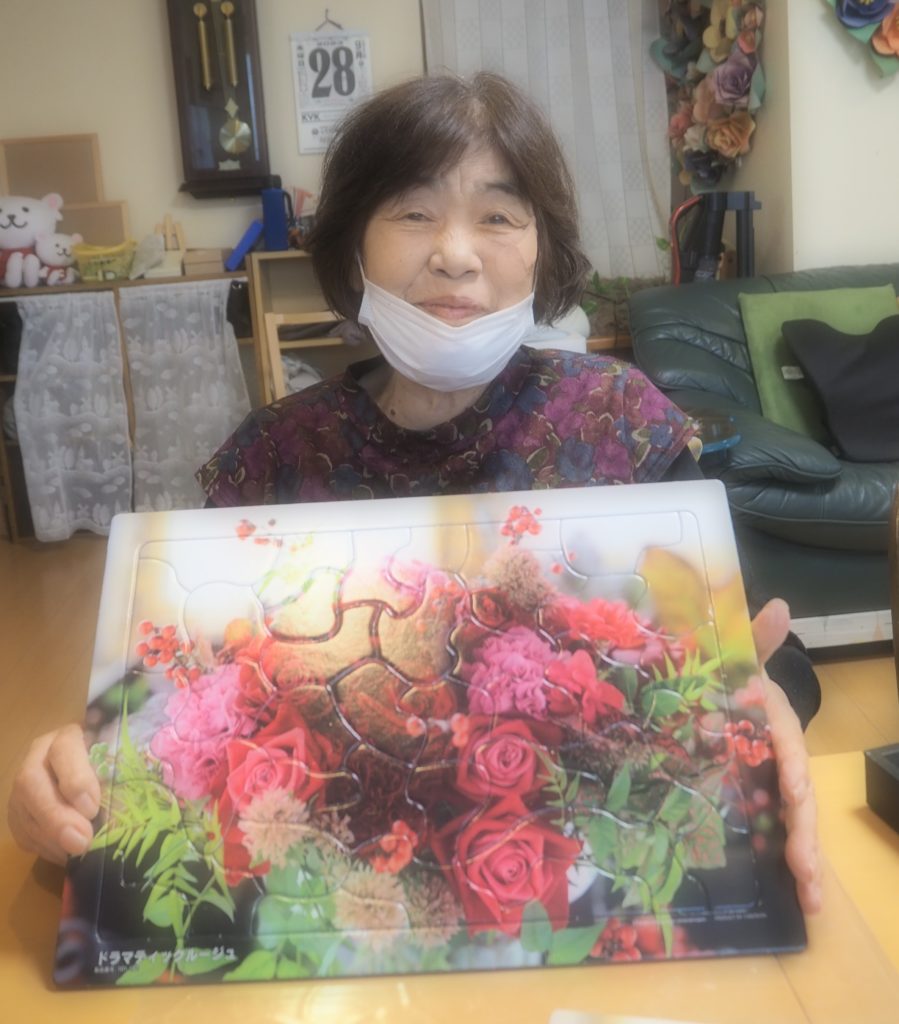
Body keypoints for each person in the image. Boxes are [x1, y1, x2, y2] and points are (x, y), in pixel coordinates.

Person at [7, 72, 822, 916]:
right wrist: (69, 782)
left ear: (542, 249)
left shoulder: (619, 424)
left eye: (498, 216)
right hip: (331, 913)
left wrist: (769, 703)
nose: (455, 253)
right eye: (412, 212)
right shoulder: (273, 458)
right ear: (352, 246)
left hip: (592, 901)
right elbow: (170, 709)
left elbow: (779, 659)